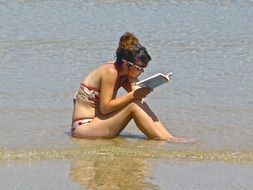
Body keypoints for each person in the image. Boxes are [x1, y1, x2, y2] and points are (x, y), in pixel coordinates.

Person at [71, 32, 194, 143]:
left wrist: (135, 85)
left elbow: (139, 100)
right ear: (126, 64)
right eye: (139, 68)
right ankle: (164, 140)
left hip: (99, 122)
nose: (141, 72)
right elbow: (105, 108)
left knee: (138, 102)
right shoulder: (111, 72)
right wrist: (133, 95)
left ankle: (168, 137)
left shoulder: (123, 74)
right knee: (133, 104)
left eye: (143, 69)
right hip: (84, 127)